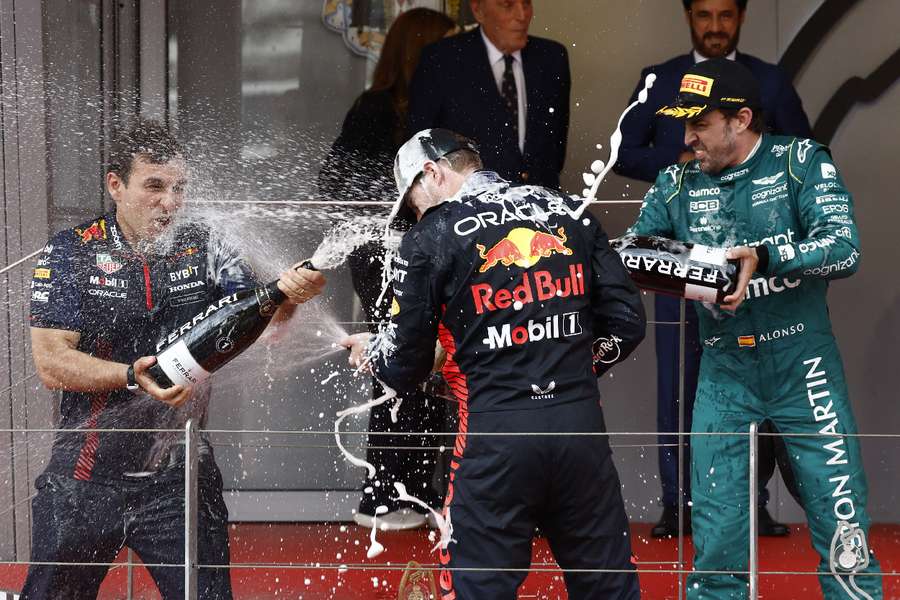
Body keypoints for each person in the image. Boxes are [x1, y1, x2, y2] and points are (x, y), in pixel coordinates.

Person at [23, 120, 325, 599]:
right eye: (155, 186)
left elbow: (258, 320)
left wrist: (289, 295)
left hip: (182, 478)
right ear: (116, 186)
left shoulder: (204, 245)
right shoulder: (72, 252)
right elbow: (51, 361)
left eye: (179, 188)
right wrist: (130, 376)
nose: (171, 202)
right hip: (84, 479)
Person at [342, 128, 645, 599]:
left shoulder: (428, 238)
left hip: (494, 435)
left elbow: (404, 366)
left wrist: (374, 352)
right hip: (579, 427)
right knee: (607, 586)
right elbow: (627, 322)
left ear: (433, 173)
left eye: (414, 203)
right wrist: (567, 372)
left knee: (477, 588)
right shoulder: (566, 208)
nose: (415, 215)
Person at [629, 58, 882, 599]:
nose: (686, 136)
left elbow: (845, 247)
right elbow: (635, 253)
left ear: (741, 119)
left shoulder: (800, 162)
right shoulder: (675, 182)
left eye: (700, 123)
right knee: (716, 539)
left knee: (843, 527)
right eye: (683, 122)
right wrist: (710, 275)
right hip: (725, 373)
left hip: (804, 367)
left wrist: (765, 258)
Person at [614, 0, 810, 538]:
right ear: (688, 17)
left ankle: (752, 505)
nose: (716, 26)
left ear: (742, 17)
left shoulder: (767, 81)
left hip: (752, 263)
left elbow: (807, 153)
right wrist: (682, 160)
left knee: (758, 379)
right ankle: (679, 504)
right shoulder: (659, 81)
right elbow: (624, 153)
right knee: (679, 381)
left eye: (726, 15)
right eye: (705, 15)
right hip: (678, 254)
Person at [318, 7, 457, 530]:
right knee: (400, 363)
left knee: (430, 365)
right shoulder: (377, 108)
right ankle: (383, 494)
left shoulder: (432, 108)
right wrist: (391, 212)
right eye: (442, 48)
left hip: (427, 251)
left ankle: (421, 489)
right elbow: (335, 179)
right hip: (383, 255)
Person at [407, 0, 570, 190]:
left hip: (540, 204)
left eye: (526, 4)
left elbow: (555, 148)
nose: (522, 15)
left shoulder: (551, 58)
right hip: (468, 207)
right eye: (507, 5)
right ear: (478, 10)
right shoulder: (443, 59)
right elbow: (420, 147)